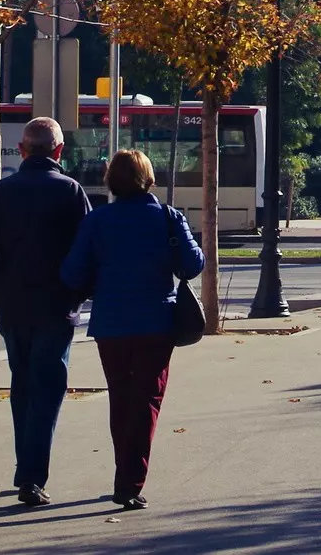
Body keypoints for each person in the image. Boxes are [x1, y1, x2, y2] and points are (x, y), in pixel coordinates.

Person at [62, 149, 205, 510]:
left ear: (112, 180)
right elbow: (193, 264)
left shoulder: (98, 221)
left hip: (110, 324)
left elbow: (72, 274)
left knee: (121, 399)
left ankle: (123, 472)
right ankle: (128, 482)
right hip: (157, 323)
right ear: (149, 178)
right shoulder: (169, 218)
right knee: (146, 402)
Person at [0, 117, 90, 508]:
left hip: (14, 306)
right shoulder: (70, 191)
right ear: (59, 150)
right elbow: (86, 253)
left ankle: (25, 467)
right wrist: (77, 294)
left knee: (23, 384)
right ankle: (33, 476)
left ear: (21, 150)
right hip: (56, 305)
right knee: (48, 388)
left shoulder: (0, 193)